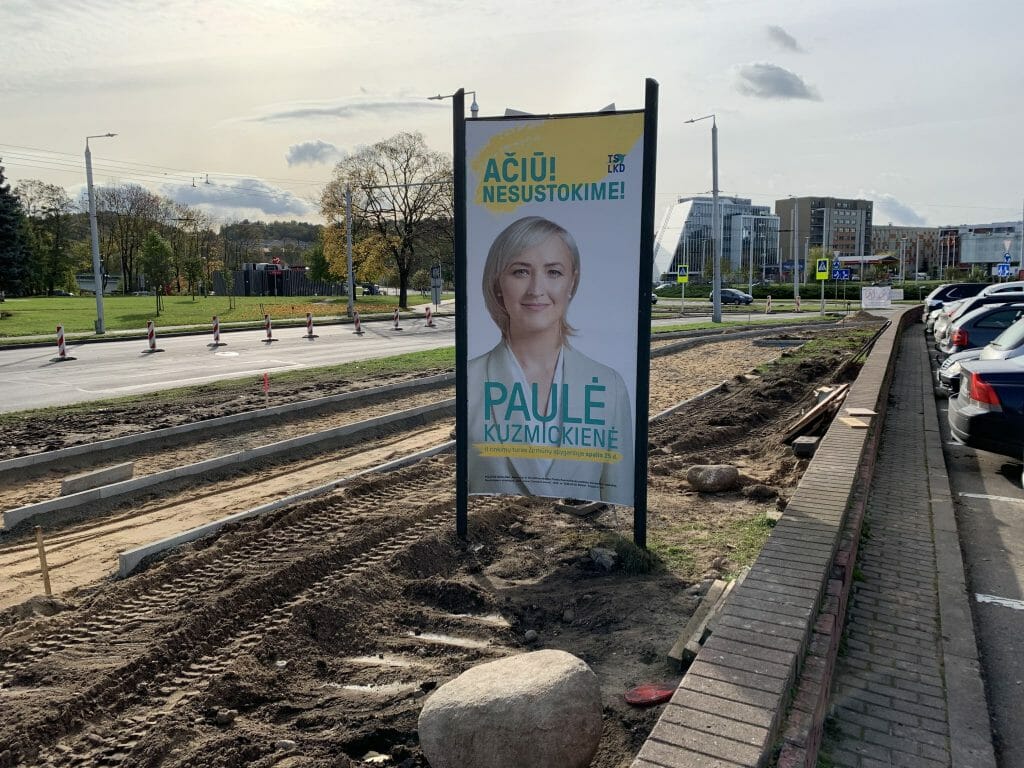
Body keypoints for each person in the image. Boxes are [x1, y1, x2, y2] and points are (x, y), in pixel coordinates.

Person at [467, 216, 634, 505]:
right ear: (497, 283)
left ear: (572, 281)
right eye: (520, 271)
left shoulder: (610, 385)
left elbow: (618, 500)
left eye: (554, 272)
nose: (536, 289)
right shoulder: (469, 381)